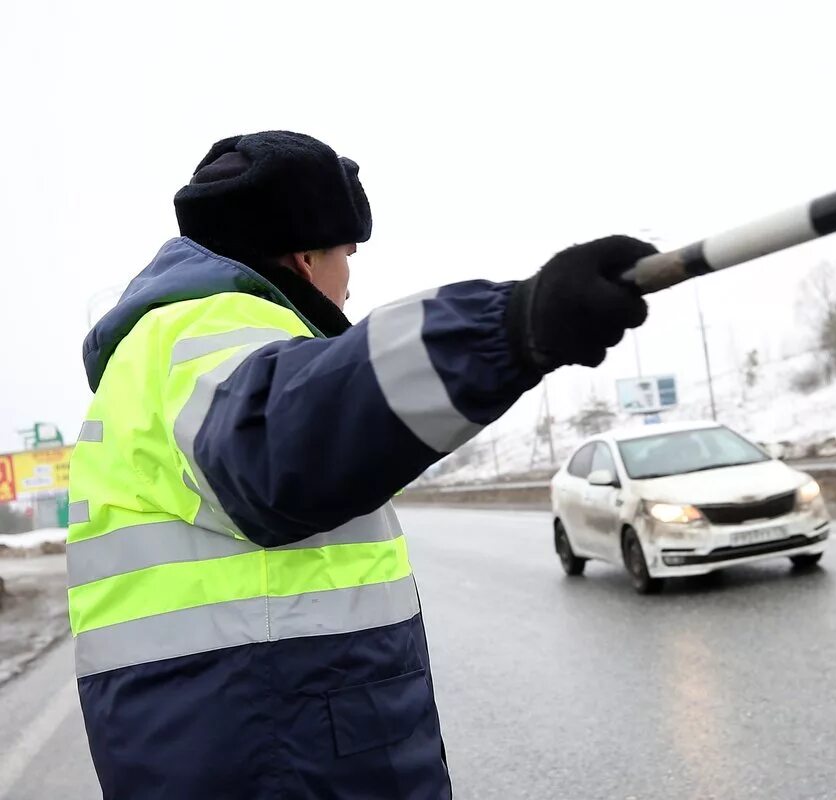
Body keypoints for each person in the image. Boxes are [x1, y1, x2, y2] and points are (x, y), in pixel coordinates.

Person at [66, 130, 655, 799]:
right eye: (347, 252)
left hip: (256, 740)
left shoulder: (170, 352)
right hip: (280, 757)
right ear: (305, 253)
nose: (351, 277)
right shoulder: (199, 332)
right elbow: (284, 435)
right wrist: (509, 327)